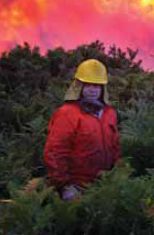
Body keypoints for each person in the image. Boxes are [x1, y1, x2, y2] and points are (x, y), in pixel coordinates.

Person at [43, 59, 121, 201]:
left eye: (97, 85)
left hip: (104, 184)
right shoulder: (67, 113)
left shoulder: (110, 113)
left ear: (103, 88)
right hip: (76, 188)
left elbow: (115, 146)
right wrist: (65, 185)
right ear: (79, 86)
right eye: (88, 85)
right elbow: (55, 152)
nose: (92, 89)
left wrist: (116, 176)